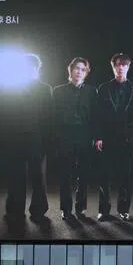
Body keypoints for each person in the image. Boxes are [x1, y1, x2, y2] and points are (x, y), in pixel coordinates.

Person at [4, 53, 52, 224]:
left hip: (36, 139)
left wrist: (47, 142)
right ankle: (15, 209)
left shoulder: (45, 89)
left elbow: (48, 118)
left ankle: (38, 210)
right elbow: (5, 115)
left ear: (37, 69)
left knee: (38, 176)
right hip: (16, 138)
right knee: (16, 176)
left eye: (32, 67)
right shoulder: (11, 87)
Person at [51, 57, 97, 222]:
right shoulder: (58, 91)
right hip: (65, 137)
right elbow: (53, 118)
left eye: (83, 69)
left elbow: (96, 117)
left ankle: (81, 208)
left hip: (85, 137)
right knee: (65, 175)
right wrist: (55, 139)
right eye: (77, 68)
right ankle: (66, 209)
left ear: (86, 73)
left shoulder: (92, 92)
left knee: (83, 175)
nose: (79, 72)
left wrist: (95, 137)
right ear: (70, 70)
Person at [94, 53, 133, 222]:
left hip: (127, 139)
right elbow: (98, 115)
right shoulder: (103, 88)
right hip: (107, 137)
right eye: (117, 65)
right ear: (113, 67)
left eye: (123, 65)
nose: (120, 68)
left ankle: (123, 210)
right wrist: (98, 137)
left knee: (125, 176)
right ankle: (104, 211)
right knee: (104, 175)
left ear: (128, 67)